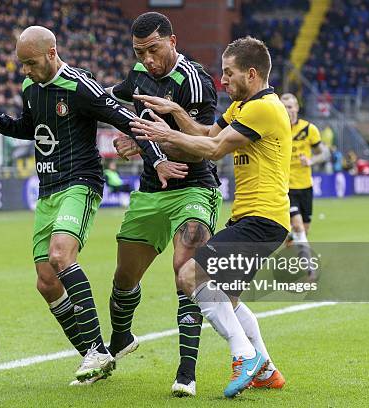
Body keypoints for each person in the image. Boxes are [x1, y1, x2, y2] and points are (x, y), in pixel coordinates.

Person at [0, 26, 187, 384]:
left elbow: (128, 120)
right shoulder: (29, 87)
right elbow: (31, 126)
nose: (25, 71)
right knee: (47, 282)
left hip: (80, 183)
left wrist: (156, 159)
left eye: (31, 63)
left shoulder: (81, 86)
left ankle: (97, 348)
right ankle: (94, 357)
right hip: (47, 190)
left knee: (61, 255)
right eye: (21, 65)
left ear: (52, 53)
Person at [131, 36, 291, 398]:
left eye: (228, 73)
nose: (222, 81)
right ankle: (266, 369)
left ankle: (243, 355)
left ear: (251, 74)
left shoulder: (263, 109)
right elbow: (206, 133)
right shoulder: (243, 107)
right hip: (255, 219)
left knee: (189, 274)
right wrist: (176, 113)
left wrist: (166, 133)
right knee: (227, 300)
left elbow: (214, 150)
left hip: (263, 220)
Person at [105, 12, 222, 397]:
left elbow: (204, 143)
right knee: (124, 279)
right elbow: (112, 101)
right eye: (140, 52)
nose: (148, 60)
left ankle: (186, 373)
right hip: (152, 190)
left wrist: (141, 142)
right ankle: (120, 339)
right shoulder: (139, 74)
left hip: (193, 185)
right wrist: (126, 131)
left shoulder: (195, 81)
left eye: (154, 49)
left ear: (172, 41)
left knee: (185, 268)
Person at [280, 93, 329, 280]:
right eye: (284, 107)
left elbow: (322, 154)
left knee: (303, 230)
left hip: (306, 187)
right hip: (286, 188)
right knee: (299, 227)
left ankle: (290, 239)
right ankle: (309, 269)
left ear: (297, 108)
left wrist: (311, 160)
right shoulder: (277, 129)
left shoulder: (309, 130)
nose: (288, 110)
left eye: (291, 107)